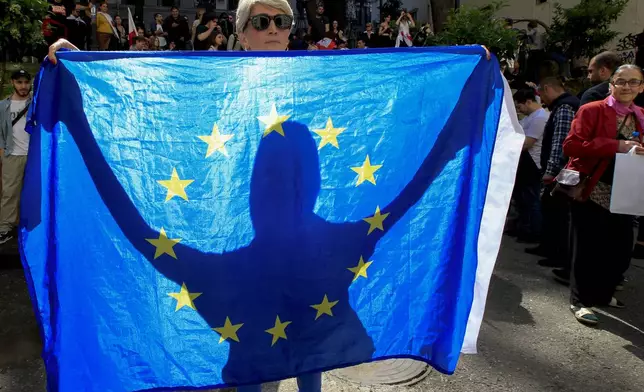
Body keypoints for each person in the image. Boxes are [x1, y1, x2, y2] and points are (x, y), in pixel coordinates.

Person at [46, 2, 489, 388]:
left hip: (273, 335)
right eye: (262, 21)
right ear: (241, 31)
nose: (274, 28)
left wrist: (465, 89)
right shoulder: (207, 82)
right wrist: (79, 87)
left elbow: (140, 233)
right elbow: (412, 190)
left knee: (291, 356)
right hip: (277, 330)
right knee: (277, 358)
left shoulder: (318, 82)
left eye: (283, 20)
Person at [562, 64, 644, 325]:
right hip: (591, 188)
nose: (627, 87)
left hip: (626, 191)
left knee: (619, 249)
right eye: (621, 81)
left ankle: (601, 293)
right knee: (586, 248)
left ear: (641, 87)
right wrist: (616, 146)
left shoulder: (641, 115)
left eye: (633, 82)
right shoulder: (592, 110)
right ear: (611, 84)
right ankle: (580, 300)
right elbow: (572, 145)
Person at [527, 77, 579, 273]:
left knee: (558, 215)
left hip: (562, 173)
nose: (541, 99)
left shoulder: (565, 107)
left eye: (541, 94)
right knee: (550, 212)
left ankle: (557, 254)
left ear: (547, 89)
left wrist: (550, 172)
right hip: (561, 171)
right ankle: (548, 248)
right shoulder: (562, 106)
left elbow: (560, 143)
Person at [0, 70, 33, 245]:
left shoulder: (36, 102)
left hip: (34, 156)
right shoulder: (3, 106)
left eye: (26, 82)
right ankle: (4, 228)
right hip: (12, 155)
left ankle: (29, 225)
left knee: (33, 192)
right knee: (9, 193)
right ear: (13, 82)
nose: (23, 86)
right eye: (19, 82)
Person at [512, 89, 549, 243]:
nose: (519, 110)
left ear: (528, 102)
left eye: (520, 107)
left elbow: (528, 143)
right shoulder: (531, 117)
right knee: (522, 199)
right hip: (524, 163)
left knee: (531, 199)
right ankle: (524, 227)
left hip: (532, 163)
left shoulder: (540, 117)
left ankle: (533, 231)